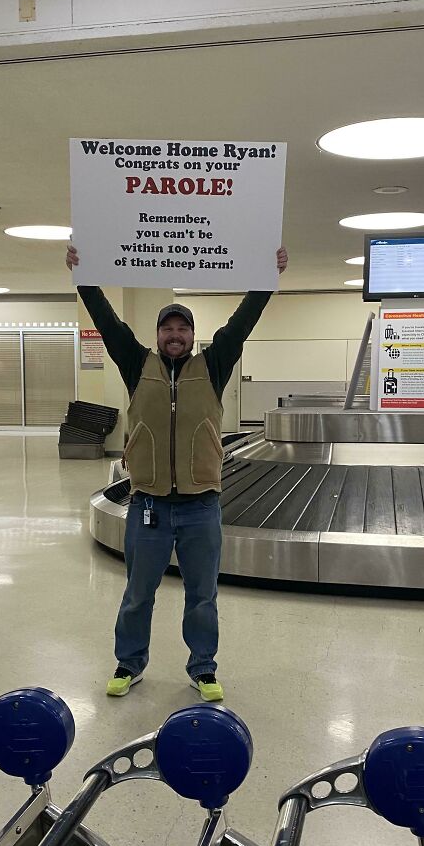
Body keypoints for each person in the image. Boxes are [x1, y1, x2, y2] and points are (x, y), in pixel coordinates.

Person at [67, 244, 288, 701]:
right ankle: (129, 665)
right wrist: (84, 277)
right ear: (157, 334)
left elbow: (244, 319)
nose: (174, 334)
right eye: (167, 328)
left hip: (200, 506)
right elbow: (108, 323)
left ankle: (203, 669)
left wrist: (268, 276)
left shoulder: (215, 364)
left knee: (202, 597)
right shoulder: (136, 363)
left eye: (182, 327)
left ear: (192, 334)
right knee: (137, 594)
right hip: (147, 503)